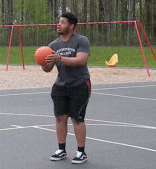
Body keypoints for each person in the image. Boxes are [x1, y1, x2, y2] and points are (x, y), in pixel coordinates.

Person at [42, 13, 91, 164]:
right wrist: (43, 61)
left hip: (79, 84)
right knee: (60, 118)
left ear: (71, 26)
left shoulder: (81, 40)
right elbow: (47, 69)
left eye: (62, 22)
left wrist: (60, 58)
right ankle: (61, 150)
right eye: (58, 22)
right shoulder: (53, 45)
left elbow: (81, 60)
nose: (58, 24)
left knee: (77, 119)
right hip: (61, 86)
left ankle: (81, 152)